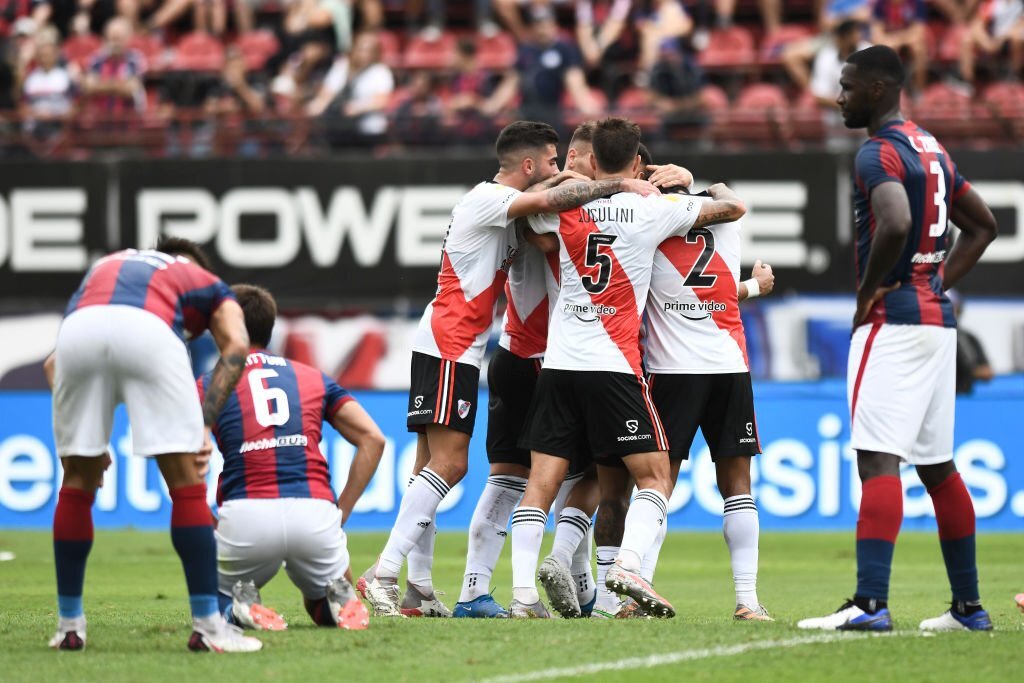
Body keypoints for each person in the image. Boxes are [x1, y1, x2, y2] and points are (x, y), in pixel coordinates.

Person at [355, 120, 658, 618]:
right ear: (529, 164)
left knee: (431, 467)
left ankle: (421, 587)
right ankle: (385, 574)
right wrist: (624, 184)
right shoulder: (493, 201)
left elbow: (546, 198)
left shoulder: (507, 206)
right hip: (466, 343)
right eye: (556, 161)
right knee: (459, 467)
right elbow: (544, 205)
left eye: (570, 161)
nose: (563, 170)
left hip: (465, 343)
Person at [512, 117, 746, 619]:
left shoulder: (568, 207)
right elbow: (731, 208)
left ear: (591, 159)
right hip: (615, 363)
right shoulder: (654, 208)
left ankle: (521, 597)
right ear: (639, 161)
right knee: (655, 475)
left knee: (544, 481)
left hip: (558, 362)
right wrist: (680, 177)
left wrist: (580, 185)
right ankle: (629, 569)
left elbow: (528, 216)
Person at [798, 45, 998, 632]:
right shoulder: (931, 147)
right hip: (937, 324)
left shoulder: (876, 152)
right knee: (938, 467)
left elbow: (897, 221)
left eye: (848, 86)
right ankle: (968, 609)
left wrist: (870, 291)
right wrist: (934, 279)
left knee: (878, 460)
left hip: (894, 324)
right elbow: (983, 226)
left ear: (879, 90)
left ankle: (869, 603)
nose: (839, 96)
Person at [45, 237, 260, 652]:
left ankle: (69, 626)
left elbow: (53, 364)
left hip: (78, 333)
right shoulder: (207, 282)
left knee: (76, 484)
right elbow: (235, 345)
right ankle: (208, 627)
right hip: (148, 333)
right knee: (186, 484)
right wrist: (203, 424)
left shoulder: (107, 266)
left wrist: (82, 443)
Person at [201, 284, 384, 632]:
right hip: (314, 514)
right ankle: (336, 600)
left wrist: (202, 518)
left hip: (246, 517)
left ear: (227, 326)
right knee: (319, 592)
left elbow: (183, 450)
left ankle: (238, 604)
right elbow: (372, 438)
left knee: (212, 597)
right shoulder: (312, 377)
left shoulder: (208, 385)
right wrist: (338, 513)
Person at [81, 17, 145, 118]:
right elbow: (89, 87)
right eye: (112, 38)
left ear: (128, 39)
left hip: (127, 119)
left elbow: (130, 89)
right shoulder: (96, 59)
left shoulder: (134, 59)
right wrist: (118, 86)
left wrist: (101, 85)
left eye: (119, 38)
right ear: (105, 38)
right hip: (99, 119)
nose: (115, 43)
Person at [948, 290, 994, 395]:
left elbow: (986, 372)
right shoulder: (922, 337)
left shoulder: (966, 338)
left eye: (952, 306)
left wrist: (966, 372)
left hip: (961, 397)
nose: (948, 310)